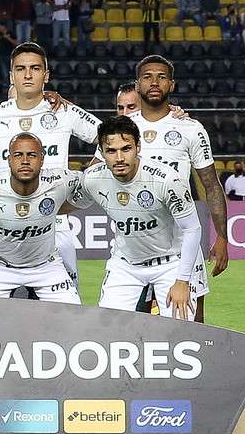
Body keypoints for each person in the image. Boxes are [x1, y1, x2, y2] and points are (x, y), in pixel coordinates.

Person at [0, 41, 100, 291]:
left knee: (63, 318)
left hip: (56, 226)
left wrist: (88, 180)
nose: (28, 74)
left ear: (46, 75)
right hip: (4, 226)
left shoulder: (64, 111)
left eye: (35, 68)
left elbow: (110, 136)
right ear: (11, 76)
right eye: (20, 69)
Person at [125, 54, 228, 322]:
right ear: (137, 85)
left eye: (161, 77)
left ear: (171, 84)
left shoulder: (190, 128)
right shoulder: (124, 129)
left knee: (192, 323)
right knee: (130, 325)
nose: (154, 82)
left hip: (183, 240)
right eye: (147, 77)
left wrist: (222, 236)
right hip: (134, 243)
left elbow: (211, 186)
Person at [72, 116, 201, 320]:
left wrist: (182, 281)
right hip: (125, 265)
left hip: (170, 264)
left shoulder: (166, 179)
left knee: (179, 334)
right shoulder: (93, 178)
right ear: (102, 153)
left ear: (138, 147)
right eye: (111, 151)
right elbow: (67, 204)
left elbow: (192, 229)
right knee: (106, 330)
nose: (119, 158)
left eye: (126, 148)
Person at [0, 132, 83, 303]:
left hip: (46, 266)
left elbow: (92, 182)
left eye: (32, 155)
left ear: (42, 159)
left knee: (72, 319)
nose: (25, 161)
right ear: (9, 160)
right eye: (18, 155)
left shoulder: (61, 180)